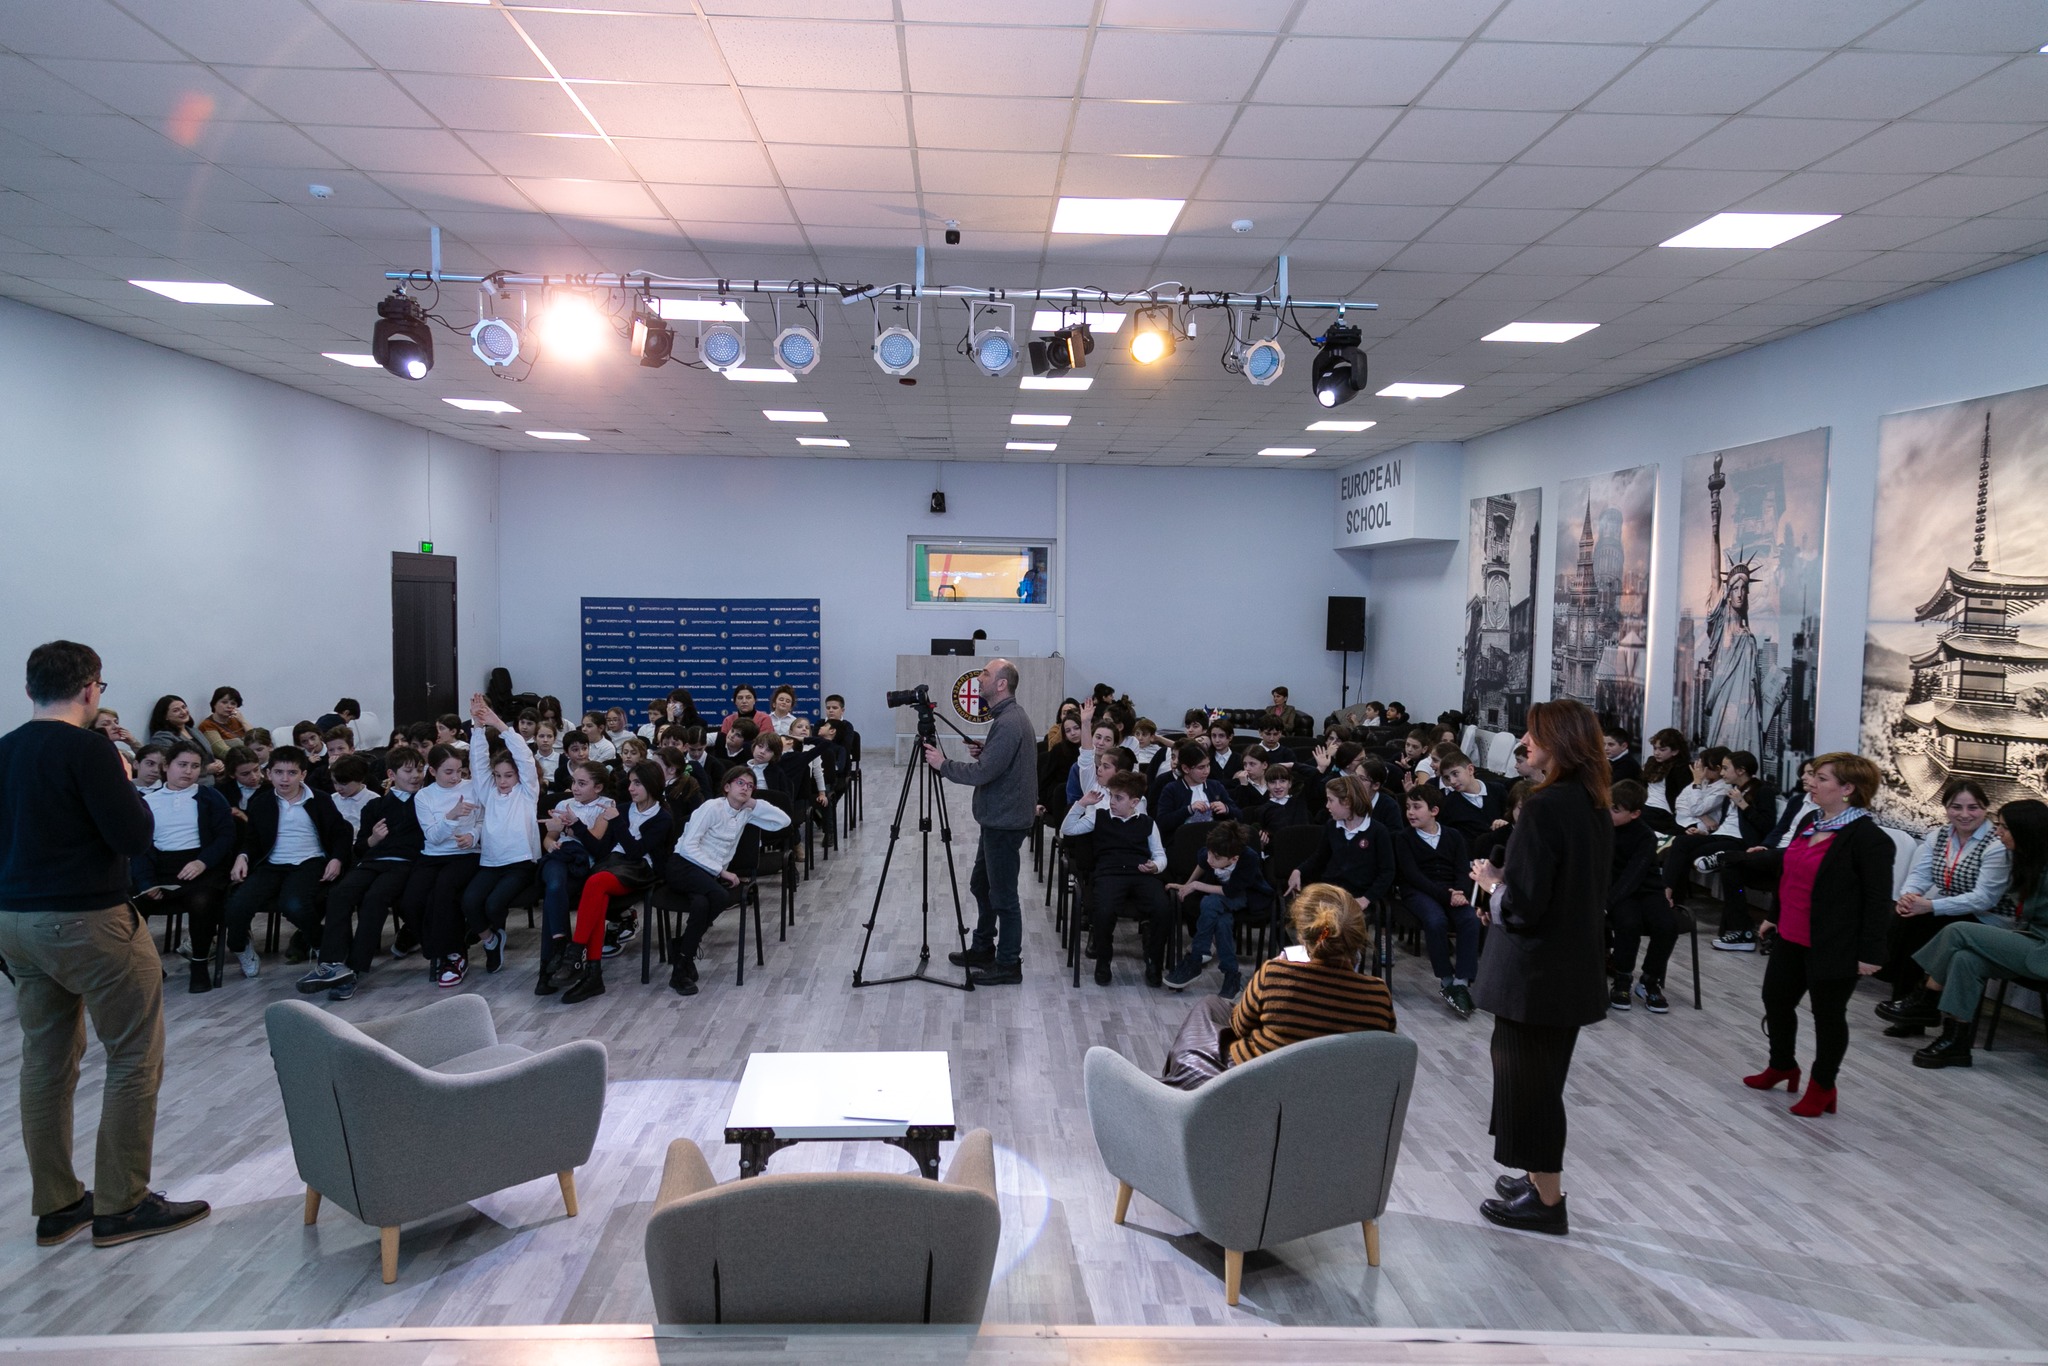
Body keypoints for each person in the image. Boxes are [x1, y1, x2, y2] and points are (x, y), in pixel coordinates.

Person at [0, 641, 210, 1247]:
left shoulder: (5, 749)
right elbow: (134, 837)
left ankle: (58, 1204)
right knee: (133, 1054)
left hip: (16, 921)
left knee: (45, 1061)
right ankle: (123, 1204)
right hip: (87, 918)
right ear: (92, 688)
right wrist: (125, 782)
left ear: (30, 689)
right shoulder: (92, 751)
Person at [1466, 697, 1612, 1237]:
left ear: (1561, 744)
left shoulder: (1545, 808)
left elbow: (1525, 907)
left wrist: (1492, 886)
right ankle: (1534, 1179)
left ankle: (1547, 1202)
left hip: (1535, 977)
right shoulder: (1591, 802)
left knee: (1532, 1090)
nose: (1523, 744)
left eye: (1533, 735)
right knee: (1539, 1081)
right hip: (1567, 972)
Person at [1728, 752, 1893, 1118]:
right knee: (1776, 999)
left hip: (1836, 942)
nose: (1811, 783)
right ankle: (1782, 1065)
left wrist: (1871, 953)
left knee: (1828, 1015)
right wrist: (1774, 916)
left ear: (1848, 788)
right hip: (1791, 932)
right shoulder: (1809, 820)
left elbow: (1878, 901)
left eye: (1821, 778)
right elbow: (1790, 873)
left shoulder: (1869, 839)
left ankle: (1823, 1085)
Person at [1159, 884, 1396, 1091]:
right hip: (1336, 1091)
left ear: (1303, 935)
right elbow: (1382, 1050)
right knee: (1212, 1005)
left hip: (1262, 1083)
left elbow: (1238, 1026)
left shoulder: (1276, 973)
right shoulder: (1378, 994)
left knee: (1206, 1010)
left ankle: (1177, 1093)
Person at [1908, 798, 2048, 1069]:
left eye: (2004, 827)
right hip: (2030, 939)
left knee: (1958, 930)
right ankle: (1956, 1042)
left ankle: (1927, 997)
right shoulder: (2023, 860)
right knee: (1965, 959)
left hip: (2043, 949)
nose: (1998, 832)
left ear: (2025, 831)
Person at [930, 658, 1037, 986]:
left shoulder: (1009, 722)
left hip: (1005, 821)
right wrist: (986, 750)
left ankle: (1008, 964)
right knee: (982, 885)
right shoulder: (1006, 718)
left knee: (1003, 896)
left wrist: (943, 764)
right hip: (998, 818)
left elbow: (984, 773)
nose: (979, 678)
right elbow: (998, 762)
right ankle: (983, 947)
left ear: (1002, 684)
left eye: (986, 674)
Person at [1873, 778, 2010, 1031]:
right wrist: (1909, 896)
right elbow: (1921, 873)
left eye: (1973, 808)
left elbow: (1984, 898)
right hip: (1949, 909)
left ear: (1985, 808)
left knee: (1920, 925)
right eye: (1956, 807)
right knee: (1905, 916)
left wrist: (1930, 907)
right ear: (1946, 808)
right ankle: (1907, 1006)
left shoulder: (1996, 844)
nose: (1964, 814)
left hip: (1988, 917)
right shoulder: (1939, 835)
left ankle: (1913, 1005)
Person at [297, 748, 426, 1001]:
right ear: (391, 774)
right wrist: (374, 839)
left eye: (419, 770)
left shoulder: (425, 803)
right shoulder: (375, 806)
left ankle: (353, 969)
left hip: (404, 864)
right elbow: (360, 848)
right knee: (339, 894)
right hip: (372, 862)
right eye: (408, 770)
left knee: (374, 899)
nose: (415, 776)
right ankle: (332, 963)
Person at [661, 765, 790, 995]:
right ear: (727, 786)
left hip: (705, 874)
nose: (745, 788)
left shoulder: (746, 812)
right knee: (720, 896)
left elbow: (783, 821)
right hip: (683, 865)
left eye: (750, 786)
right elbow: (688, 847)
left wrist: (755, 804)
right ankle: (682, 962)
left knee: (702, 904)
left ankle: (682, 955)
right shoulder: (712, 807)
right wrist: (721, 872)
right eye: (740, 783)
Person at [560, 758, 674, 1003]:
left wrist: (617, 821)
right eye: (630, 783)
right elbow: (601, 851)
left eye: (637, 783)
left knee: (596, 883)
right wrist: (577, 826)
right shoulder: (622, 809)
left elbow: (635, 852)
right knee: (598, 891)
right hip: (612, 865)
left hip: (641, 870)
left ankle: (576, 954)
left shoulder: (662, 817)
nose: (631, 788)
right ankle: (592, 975)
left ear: (652, 785)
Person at [133, 741, 235, 995]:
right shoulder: (146, 801)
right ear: (166, 766)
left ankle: (199, 963)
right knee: (129, 906)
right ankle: (149, 964)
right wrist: (147, 882)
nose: (188, 771)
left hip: (201, 867)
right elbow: (139, 846)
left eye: (195, 766)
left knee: (202, 901)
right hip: (159, 870)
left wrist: (203, 862)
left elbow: (226, 836)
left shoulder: (211, 797)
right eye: (182, 765)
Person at [1061, 770, 1170, 987]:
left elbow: (1160, 855)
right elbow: (1068, 829)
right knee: (1103, 910)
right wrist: (1082, 804)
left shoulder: (1147, 823)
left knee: (1162, 908)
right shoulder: (1099, 817)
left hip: (1141, 873)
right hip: (1109, 873)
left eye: (1118, 798)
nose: (1112, 801)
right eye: (1111, 795)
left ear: (1134, 802)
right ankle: (1104, 960)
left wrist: (1155, 866)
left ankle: (1154, 961)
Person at [458, 697, 542, 975]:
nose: (503, 781)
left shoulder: (527, 792)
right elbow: (477, 762)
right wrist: (477, 726)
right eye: (498, 776)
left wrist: (497, 723)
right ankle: (490, 941)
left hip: (520, 864)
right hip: (491, 863)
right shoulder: (488, 793)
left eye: (508, 775)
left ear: (518, 776)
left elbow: (524, 757)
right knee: (470, 900)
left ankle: (492, 935)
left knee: (494, 904)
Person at [1396, 783, 1479, 1018]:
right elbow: (1413, 875)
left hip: (1452, 891)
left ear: (1434, 811)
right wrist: (1447, 895)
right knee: (1435, 920)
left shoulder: (1453, 836)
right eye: (1408, 807)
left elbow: (1462, 869)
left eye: (1416, 807)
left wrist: (1460, 892)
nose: (1410, 812)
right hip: (1419, 891)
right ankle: (1446, 978)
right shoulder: (1404, 838)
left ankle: (1462, 981)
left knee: (1470, 920)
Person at [1164, 820, 1271, 999]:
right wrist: (1187, 885)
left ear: (1233, 859)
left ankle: (1196, 958)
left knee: (1210, 903)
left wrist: (1197, 886)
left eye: (1217, 858)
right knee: (1222, 921)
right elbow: (1202, 864)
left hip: (1244, 894)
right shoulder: (1212, 852)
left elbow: (1231, 891)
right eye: (1209, 853)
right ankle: (1231, 974)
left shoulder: (1249, 858)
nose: (1210, 860)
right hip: (1218, 893)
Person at [1606, 779, 1681, 1013]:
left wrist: (1608, 903)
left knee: (1667, 925)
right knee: (1628, 923)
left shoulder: (1645, 836)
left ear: (1635, 813)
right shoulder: (1601, 828)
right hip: (1617, 892)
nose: (1609, 812)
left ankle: (1649, 981)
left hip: (1646, 889)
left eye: (1615, 810)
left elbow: (1634, 874)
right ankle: (1622, 980)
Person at [1286, 775, 1394, 912]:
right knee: (1301, 912)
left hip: (1358, 896)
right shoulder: (1332, 826)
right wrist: (1298, 870)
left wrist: (1367, 898)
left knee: (1338, 919)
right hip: (1331, 891)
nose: (1327, 805)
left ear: (1347, 802)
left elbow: (1387, 872)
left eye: (1331, 800)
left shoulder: (1378, 831)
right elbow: (1319, 857)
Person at [1155, 741, 1239, 840]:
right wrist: (1189, 809)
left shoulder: (1215, 786)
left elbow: (1239, 815)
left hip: (1216, 840)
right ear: (1186, 769)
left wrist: (1226, 809)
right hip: (1185, 841)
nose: (1206, 771)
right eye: (1201, 767)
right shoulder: (1172, 789)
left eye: (1208, 765)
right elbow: (1162, 823)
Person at [195, 686, 247, 759]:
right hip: (233, 762)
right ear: (214, 704)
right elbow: (223, 751)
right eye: (224, 702)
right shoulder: (207, 725)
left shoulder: (236, 720)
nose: (229, 706)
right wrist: (252, 754)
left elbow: (256, 739)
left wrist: (243, 721)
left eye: (233, 703)